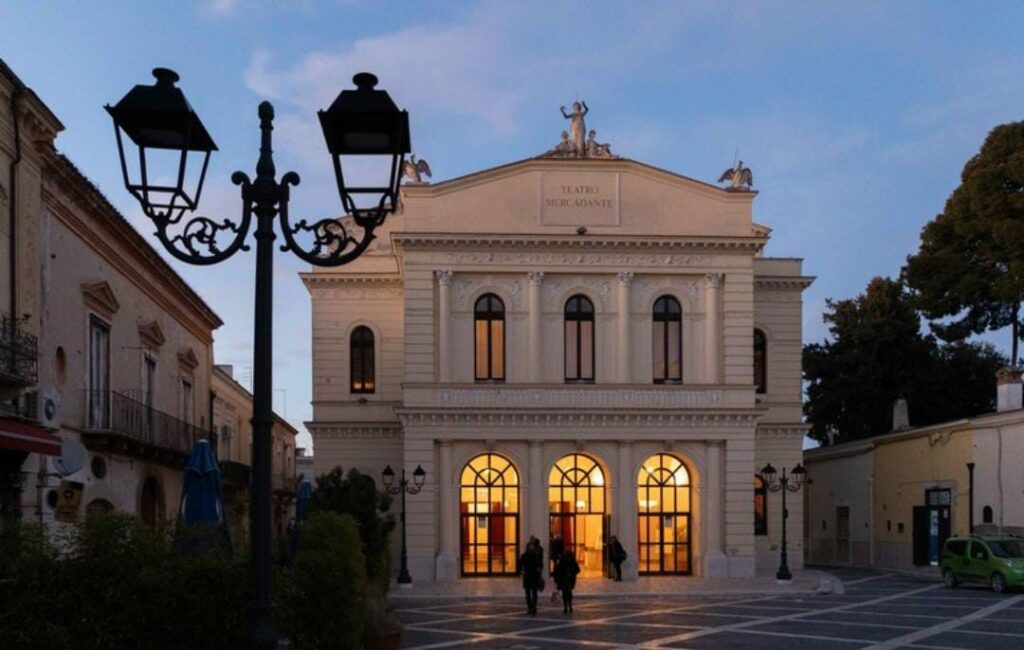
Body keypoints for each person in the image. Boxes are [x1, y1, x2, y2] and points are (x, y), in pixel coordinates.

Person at [518, 539, 544, 615]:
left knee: (531, 593)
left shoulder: (530, 556)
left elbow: (540, 565)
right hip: (530, 576)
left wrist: (522, 571)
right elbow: (520, 564)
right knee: (530, 593)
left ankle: (532, 607)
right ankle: (531, 607)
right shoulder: (528, 556)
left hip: (531, 576)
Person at [549, 533, 564, 603]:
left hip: (557, 557)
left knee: (556, 568)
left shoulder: (558, 543)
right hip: (556, 557)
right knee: (556, 567)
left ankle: (556, 577)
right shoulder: (557, 543)